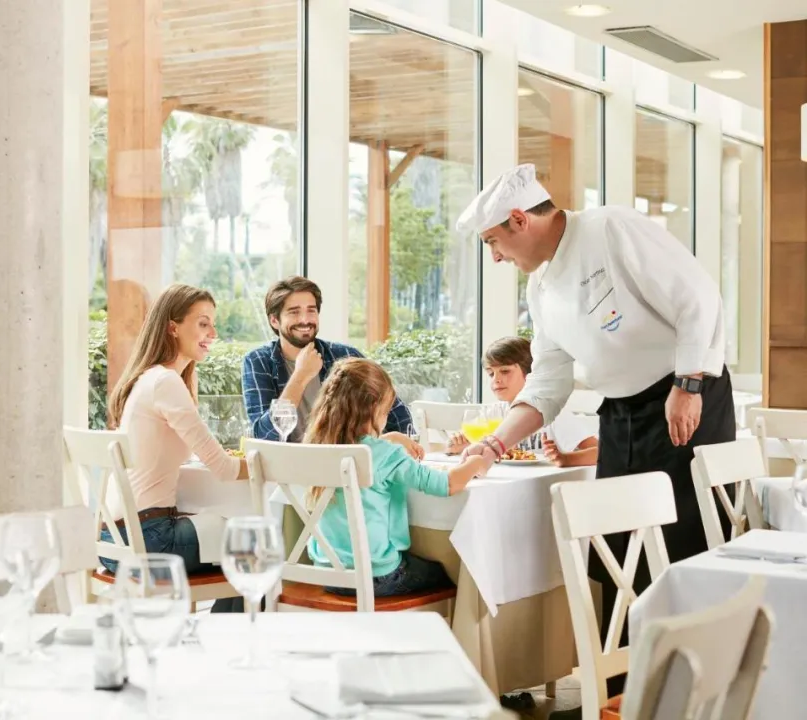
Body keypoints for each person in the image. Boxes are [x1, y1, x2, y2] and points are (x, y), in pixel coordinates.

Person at [456, 164, 735, 705]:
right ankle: (620, 696)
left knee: (679, 548)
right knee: (615, 551)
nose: (495, 258)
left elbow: (698, 298)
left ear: (520, 220)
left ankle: (689, 695)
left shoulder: (610, 228)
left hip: (685, 398)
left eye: (493, 242)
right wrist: (491, 446)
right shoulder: (541, 288)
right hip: (621, 414)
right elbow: (547, 384)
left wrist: (688, 383)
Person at [103, 284, 247, 611]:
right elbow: (224, 469)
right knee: (253, 544)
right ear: (173, 327)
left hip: (114, 541)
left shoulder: (147, 379)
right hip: (149, 542)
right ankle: (228, 638)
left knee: (230, 531)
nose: (213, 333)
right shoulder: (165, 382)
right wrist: (269, 462)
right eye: (203, 323)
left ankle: (216, 634)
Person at [304, 358, 490, 596]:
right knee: (453, 573)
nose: (385, 418)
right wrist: (477, 462)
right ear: (372, 408)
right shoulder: (387, 455)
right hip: (378, 577)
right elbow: (447, 484)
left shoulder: (317, 448)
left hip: (328, 574)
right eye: (385, 411)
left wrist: (390, 437)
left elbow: (362, 451)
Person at [242, 276, 419, 456]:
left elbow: (398, 415)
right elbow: (264, 436)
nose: (305, 319)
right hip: (287, 468)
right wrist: (300, 376)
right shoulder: (258, 361)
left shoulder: (345, 355)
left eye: (311, 310)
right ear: (274, 320)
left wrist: (391, 446)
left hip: (344, 465)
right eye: (294, 312)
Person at [448, 336, 598, 467]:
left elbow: (599, 452)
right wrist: (459, 446)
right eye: (491, 374)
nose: (496, 380)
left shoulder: (552, 413)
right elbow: (469, 445)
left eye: (505, 371)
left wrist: (565, 459)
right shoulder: (493, 413)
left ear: (531, 374)